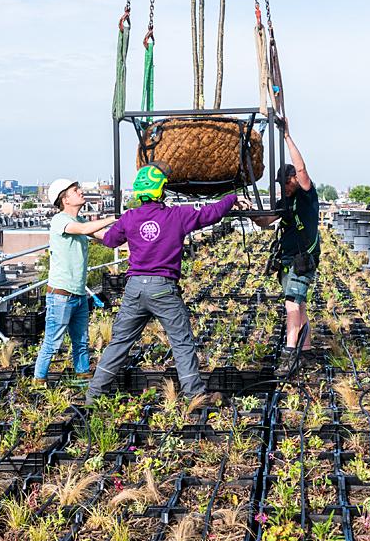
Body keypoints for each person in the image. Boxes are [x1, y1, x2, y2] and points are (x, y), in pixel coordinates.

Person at [86, 164, 248, 403]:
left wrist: (82, 229)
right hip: (163, 288)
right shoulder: (176, 216)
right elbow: (211, 213)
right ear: (161, 191)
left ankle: (93, 396)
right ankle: (194, 394)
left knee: (120, 342)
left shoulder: (130, 218)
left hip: (134, 287)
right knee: (181, 341)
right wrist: (232, 198)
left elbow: (110, 240)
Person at [34, 179, 116, 384]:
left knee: (81, 340)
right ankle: (39, 381)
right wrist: (114, 217)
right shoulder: (60, 220)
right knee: (52, 342)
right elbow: (84, 229)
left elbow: (103, 235)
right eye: (75, 190)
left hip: (78, 294)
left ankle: (83, 374)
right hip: (61, 295)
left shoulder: (79, 220)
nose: (80, 192)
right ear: (65, 199)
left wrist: (130, 227)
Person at [254, 126, 319, 366]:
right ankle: (307, 350)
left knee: (291, 302)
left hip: (303, 260)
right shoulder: (285, 201)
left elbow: (301, 169)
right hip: (288, 259)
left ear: (293, 179)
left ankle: (290, 352)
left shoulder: (306, 195)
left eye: (285, 182)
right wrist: (247, 212)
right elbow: (265, 221)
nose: (284, 187)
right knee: (299, 305)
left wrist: (287, 137)